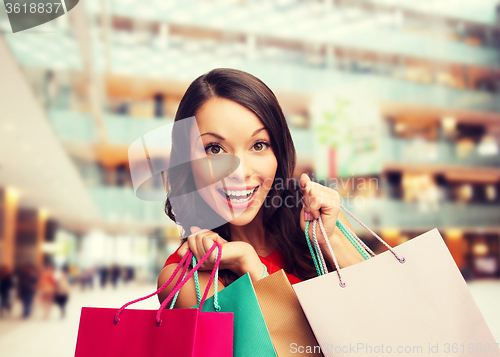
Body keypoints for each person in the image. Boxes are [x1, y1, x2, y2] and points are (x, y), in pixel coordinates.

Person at [157, 68, 365, 308]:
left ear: (278, 149)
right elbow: (299, 345)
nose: (240, 172)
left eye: (258, 145)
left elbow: (388, 307)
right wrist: (250, 265)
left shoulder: (319, 219)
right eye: (215, 149)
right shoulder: (186, 279)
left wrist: (332, 241)